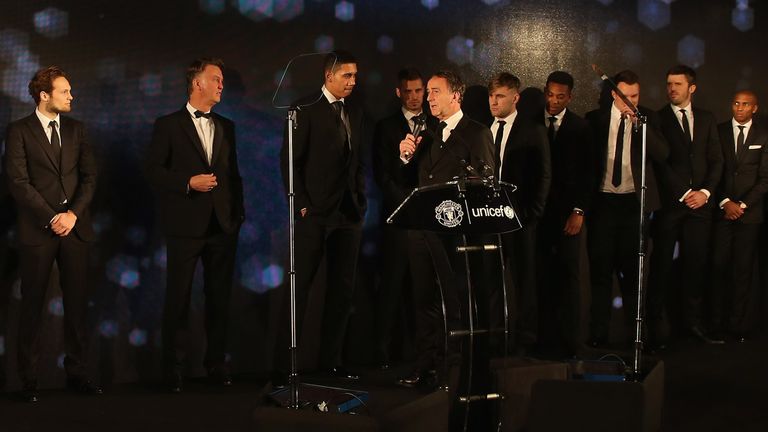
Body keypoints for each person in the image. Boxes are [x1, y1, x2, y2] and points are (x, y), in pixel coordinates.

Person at [146, 58, 245, 393]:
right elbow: (154, 172)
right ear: (197, 83)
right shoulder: (168, 124)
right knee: (179, 298)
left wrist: (237, 217)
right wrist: (188, 182)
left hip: (222, 226)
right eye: (216, 79)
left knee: (219, 299)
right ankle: (172, 369)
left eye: (222, 80)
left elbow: (233, 176)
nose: (221, 85)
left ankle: (216, 365)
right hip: (185, 225)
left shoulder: (227, 126)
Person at [4, 66, 100, 402]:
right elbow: (17, 182)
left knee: (77, 307)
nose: (71, 96)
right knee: (32, 307)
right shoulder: (18, 131)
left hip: (75, 229)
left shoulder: (77, 129)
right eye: (65, 91)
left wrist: (72, 215)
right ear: (44, 95)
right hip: (37, 231)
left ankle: (78, 373)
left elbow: (90, 177)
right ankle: (28, 379)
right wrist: (52, 217)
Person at [397, 70, 494, 387]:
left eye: (435, 91)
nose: (429, 98)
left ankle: (452, 369)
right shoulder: (428, 133)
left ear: (456, 95)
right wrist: (405, 157)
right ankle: (425, 363)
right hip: (421, 231)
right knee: (423, 299)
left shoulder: (476, 133)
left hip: (453, 234)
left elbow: (485, 185)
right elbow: (414, 181)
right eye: (428, 93)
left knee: (453, 301)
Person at [276, 51, 367, 382]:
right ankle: (286, 367)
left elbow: (356, 161)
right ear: (329, 76)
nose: (353, 81)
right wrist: (301, 204)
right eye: (347, 75)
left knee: (342, 293)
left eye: (355, 76)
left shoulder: (354, 111)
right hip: (313, 214)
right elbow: (289, 161)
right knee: (299, 291)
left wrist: (360, 199)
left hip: (348, 214)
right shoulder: (304, 108)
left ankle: (332, 363)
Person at [585, 70, 669, 348]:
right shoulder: (594, 119)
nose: (631, 101)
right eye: (625, 96)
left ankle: (636, 334)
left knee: (634, 273)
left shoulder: (647, 117)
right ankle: (598, 334)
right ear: (613, 94)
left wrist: (639, 126)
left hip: (634, 204)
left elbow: (662, 154)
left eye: (635, 96)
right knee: (600, 272)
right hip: (604, 203)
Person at [648, 65, 723, 347]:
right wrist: (683, 193)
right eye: (669, 83)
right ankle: (657, 330)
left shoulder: (706, 118)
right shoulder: (658, 118)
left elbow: (716, 160)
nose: (671, 89)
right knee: (662, 268)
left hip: (701, 207)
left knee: (695, 267)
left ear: (692, 88)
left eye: (678, 84)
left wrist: (704, 192)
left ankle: (692, 325)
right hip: (670, 206)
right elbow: (661, 163)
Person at [371, 67, 433, 369]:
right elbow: (382, 175)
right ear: (399, 92)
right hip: (397, 217)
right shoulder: (385, 127)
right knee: (391, 286)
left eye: (418, 91)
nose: (413, 97)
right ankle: (381, 351)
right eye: (407, 91)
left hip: (429, 219)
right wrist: (405, 204)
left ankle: (423, 353)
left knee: (424, 290)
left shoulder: (437, 125)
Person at [487, 72, 551, 353]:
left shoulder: (532, 130)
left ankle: (526, 340)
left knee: (524, 281)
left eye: (500, 96)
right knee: (490, 281)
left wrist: (532, 213)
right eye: (491, 96)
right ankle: (493, 337)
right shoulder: (484, 129)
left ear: (516, 97)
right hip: (489, 219)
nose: (494, 102)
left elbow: (544, 174)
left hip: (521, 218)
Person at [536, 71, 593, 356]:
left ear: (570, 97)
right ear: (545, 91)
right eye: (550, 94)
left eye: (560, 96)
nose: (554, 101)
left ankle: (572, 340)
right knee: (540, 277)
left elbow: (589, 175)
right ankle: (543, 339)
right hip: (538, 215)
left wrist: (579, 211)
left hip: (569, 214)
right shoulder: (531, 123)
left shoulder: (581, 128)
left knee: (570, 276)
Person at [710, 90, 768, 343]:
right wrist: (725, 202)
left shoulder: (764, 135)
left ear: (755, 108)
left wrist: (742, 205)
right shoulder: (719, 131)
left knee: (743, 271)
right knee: (718, 267)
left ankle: (738, 326)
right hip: (722, 211)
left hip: (749, 214)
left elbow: (765, 179)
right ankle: (717, 324)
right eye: (736, 103)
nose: (740, 108)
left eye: (745, 104)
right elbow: (712, 170)